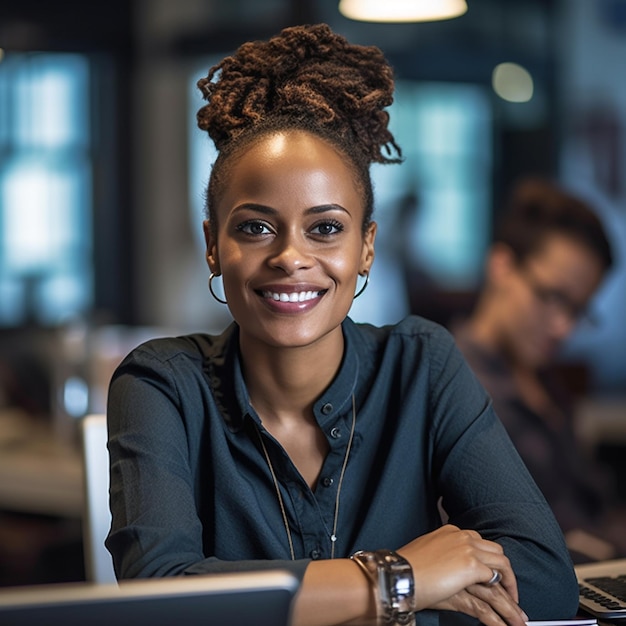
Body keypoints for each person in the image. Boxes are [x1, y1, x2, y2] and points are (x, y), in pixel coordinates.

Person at [106, 24, 578, 626]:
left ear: (366, 249)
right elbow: (160, 595)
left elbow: (542, 580)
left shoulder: (423, 364)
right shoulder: (161, 385)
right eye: (255, 227)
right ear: (213, 246)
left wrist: (295, 603)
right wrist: (401, 582)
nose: (290, 256)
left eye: (325, 228)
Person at [453, 177, 626, 563]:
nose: (563, 327)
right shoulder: (454, 386)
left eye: (577, 310)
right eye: (552, 298)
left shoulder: (545, 380)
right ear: (502, 266)